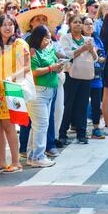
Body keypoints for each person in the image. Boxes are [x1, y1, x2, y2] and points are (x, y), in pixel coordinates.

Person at [0, 14, 30, 173]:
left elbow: (26, 67)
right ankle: (1, 161)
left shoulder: (19, 43)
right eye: (4, 24)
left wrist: (12, 77)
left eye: (10, 24)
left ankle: (15, 161)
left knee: (9, 125)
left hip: (11, 87)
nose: (7, 28)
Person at [26, 25, 63, 167]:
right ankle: (37, 156)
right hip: (38, 91)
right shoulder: (32, 52)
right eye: (45, 37)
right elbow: (33, 71)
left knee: (38, 125)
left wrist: (58, 66)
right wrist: (50, 68)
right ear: (38, 37)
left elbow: (54, 62)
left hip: (50, 90)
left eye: (49, 37)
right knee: (41, 125)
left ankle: (32, 155)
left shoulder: (49, 49)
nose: (48, 40)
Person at [59, 15, 98, 144]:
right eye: (75, 22)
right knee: (68, 105)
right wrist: (82, 49)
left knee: (82, 105)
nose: (78, 25)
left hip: (86, 76)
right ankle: (62, 133)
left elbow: (95, 58)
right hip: (71, 75)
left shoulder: (88, 39)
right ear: (69, 24)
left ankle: (81, 133)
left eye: (80, 22)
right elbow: (66, 55)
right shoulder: (65, 38)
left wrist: (91, 49)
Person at [81, 16, 106, 139]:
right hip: (83, 76)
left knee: (96, 104)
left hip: (97, 76)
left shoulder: (97, 39)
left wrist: (99, 57)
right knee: (83, 104)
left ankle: (96, 128)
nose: (89, 26)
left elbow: (102, 57)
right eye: (86, 24)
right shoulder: (79, 39)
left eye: (91, 24)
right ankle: (82, 129)